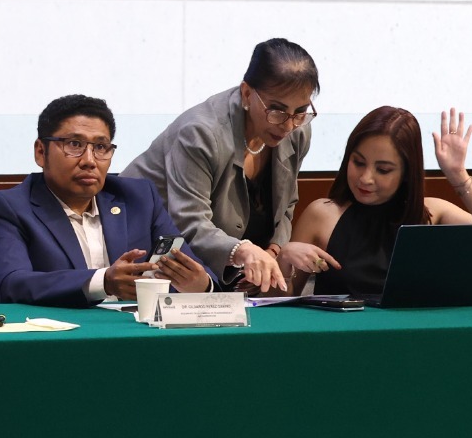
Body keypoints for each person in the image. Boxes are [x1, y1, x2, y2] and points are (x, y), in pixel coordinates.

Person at [122, 38, 325, 293]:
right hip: (143, 249)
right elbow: (189, 223)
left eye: (301, 111)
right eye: (277, 110)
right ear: (247, 93)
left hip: (210, 270)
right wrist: (243, 251)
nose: (288, 125)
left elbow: (286, 205)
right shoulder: (202, 132)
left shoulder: (297, 130)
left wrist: (272, 251)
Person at [0, 94, 213, 306]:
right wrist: (103, 282)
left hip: (135, 332)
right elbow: (11, 284)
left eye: (101, 147)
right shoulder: (10, 207)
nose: (89, 161)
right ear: (41, 152)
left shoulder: (139, 198)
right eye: (74, 145)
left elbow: (191, 270)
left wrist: (201, 285)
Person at [290, 107, 472, 295]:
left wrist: (458, 175)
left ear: (406, 173)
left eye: (383, 170)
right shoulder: (321, 214)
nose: (365, 178)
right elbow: (280, 303)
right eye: (358, 163)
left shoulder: (432, 212)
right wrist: (285, 258)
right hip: (340, 330)